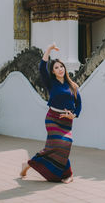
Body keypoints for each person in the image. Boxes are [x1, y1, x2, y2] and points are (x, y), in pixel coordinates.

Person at [20, 43, 82, 183]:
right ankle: (68, 174)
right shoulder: (51, 83)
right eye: (56, 68)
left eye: (61, 66)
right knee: (64, 142)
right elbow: (42, 67)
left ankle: (28, 164)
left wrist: (74, 115)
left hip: (67, 121)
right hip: (53, 118)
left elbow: (79, 104)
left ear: (64, 69)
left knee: (57, 146)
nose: (60, 69)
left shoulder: (72, 85)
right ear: (53, 71)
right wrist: (48, 50)